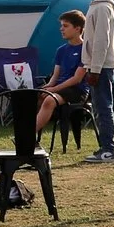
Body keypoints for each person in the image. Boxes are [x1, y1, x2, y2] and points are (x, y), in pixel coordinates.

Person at [81, 0, 114, 163]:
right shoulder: (96, 6)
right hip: (97, 65)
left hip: (102, 66)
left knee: (103, 106)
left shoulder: (103, 8)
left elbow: (101, 41)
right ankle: (105, 147)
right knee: (99, 106)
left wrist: (95, 69)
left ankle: (109, 149)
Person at [37, 9, 88, 137]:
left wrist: (53, 90)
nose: (61, 29)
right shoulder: (61, 50)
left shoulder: (85, 50)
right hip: (60, 87)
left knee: (49, 100)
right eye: (61, 26)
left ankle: (26, 136)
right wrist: (48, 86)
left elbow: (77, 79)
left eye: (65, 26)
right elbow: (55, 75)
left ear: (77, 28)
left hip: (77, 90)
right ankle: (34, 140)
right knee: (33, 96)